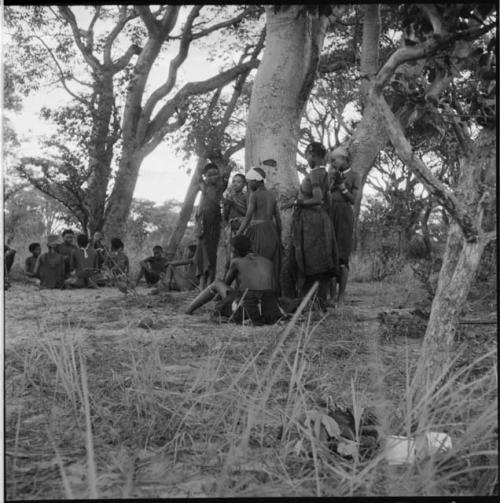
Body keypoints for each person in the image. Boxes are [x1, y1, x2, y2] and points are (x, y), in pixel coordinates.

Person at [186, 234, 283, 325]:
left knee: (217, 283)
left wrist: (216, 300)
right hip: (270, 309)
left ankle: (188, 310)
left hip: (248, 308)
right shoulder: (267, 261)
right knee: (243, 295)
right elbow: (273, 288)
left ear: (235, 250)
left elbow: (225, 284)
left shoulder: (236, 262)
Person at [291, 141, 339, 310]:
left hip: (312, 222)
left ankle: (316, 303)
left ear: (313, 155)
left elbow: (318, 198)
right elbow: (328, 200)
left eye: (308, 155)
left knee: (313, 260)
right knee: (319, 260)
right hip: (319, 220)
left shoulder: (316, 174)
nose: (307, 158)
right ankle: (319, 302)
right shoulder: (322, 173)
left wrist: (299, 202)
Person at [236, 163, 282, 294]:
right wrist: (278, 236)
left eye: (249, 182)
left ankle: (256, 294)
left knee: (257, 263)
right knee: (270, 265)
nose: (248, 184)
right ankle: (272, 295)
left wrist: (238, 235)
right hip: (272, 231)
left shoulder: (254, 195)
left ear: (256, 181)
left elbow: (248, 217)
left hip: (258, 231)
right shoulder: (272, 195)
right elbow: (278, 219)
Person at [327, 146, 360, 304]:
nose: (333, 162)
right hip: (329, 215)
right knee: (330, 255)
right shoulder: (330, 175)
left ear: (345, 159)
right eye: (332, 160)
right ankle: (331, 296)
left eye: (336, 159)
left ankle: (341, 296)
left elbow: (353, 200)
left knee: (342, 256)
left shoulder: (354, 175)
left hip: (344, 216)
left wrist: (341, 186)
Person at [193, 162, 229, 289]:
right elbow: (198, 177)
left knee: (212, 253)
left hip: (214, 223)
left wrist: (226, 170)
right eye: (209, 175)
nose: (213, 177)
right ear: (205, 177)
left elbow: (225, 178)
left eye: (215, 174)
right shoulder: (203, 187)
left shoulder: (220, 188)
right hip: (203, 225)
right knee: (201, 253)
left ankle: (209, 283)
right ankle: (202, 283)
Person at [219, 173, 248, 276]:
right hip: (231, 229)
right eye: (234, 181)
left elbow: (248, 213)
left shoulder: (246, 197)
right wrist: (226, 205)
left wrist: (233, 203)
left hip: (242, 228)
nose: (235, 184)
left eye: (239, 182)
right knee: (229, 257)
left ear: (244, 184)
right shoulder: (230, 196)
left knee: (240, 256)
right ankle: (227, 281)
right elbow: (226, 217)